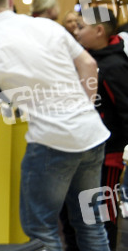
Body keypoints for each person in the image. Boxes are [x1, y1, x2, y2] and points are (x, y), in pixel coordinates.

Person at [0, 0, 110, 251]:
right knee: (91, 224)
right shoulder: (47, 26)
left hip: (51, 142)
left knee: (42, 232)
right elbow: (89, 65)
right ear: (11, 0)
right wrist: (84, 107)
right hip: (92, 133)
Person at [75, 13, 128, 249]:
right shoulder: (89, 60)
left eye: (81, 27)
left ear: (99, 31)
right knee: (85, 212)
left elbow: (125, 110)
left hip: (109, 154)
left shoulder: (114, 66)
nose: (76, 32)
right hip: (87, 149)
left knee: (103, 214)